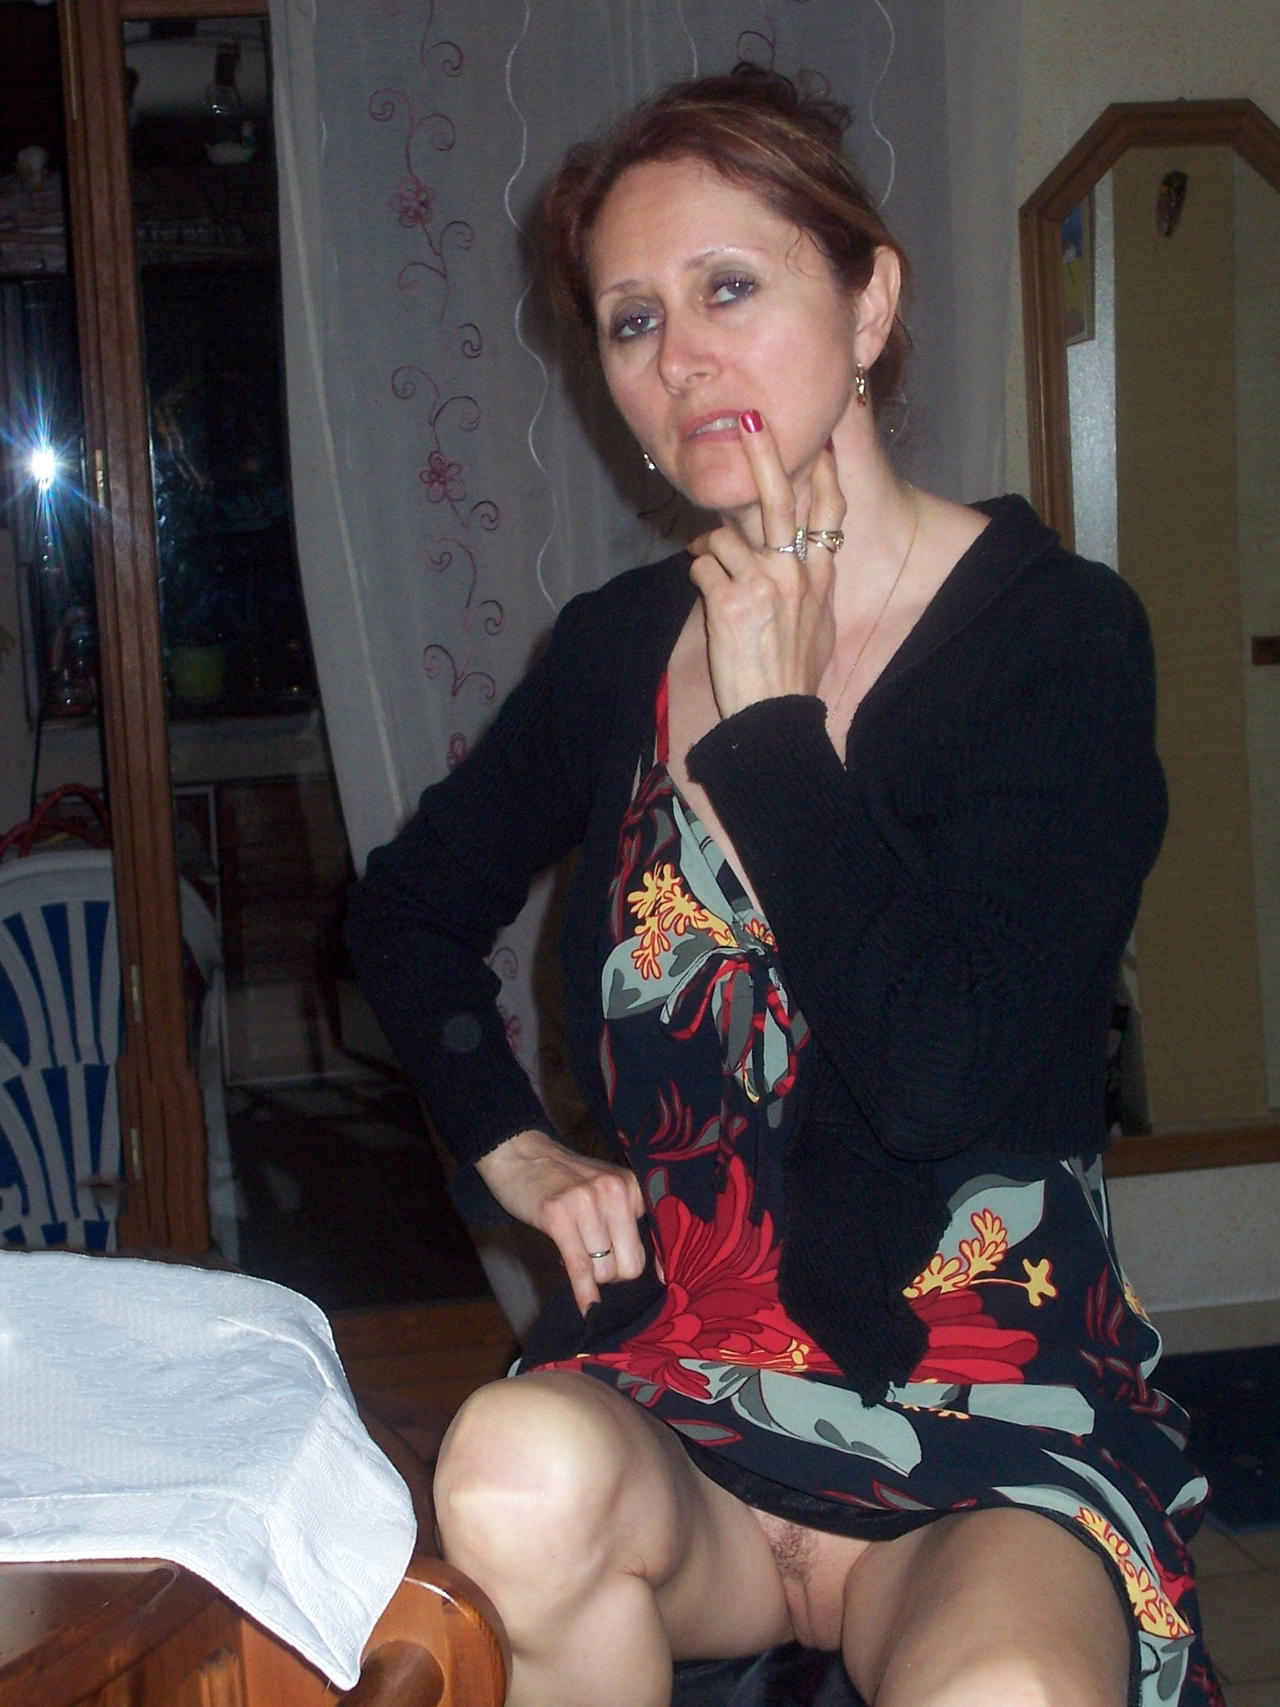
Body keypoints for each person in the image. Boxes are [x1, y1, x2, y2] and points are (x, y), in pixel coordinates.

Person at [347, 66, 1219, 1707]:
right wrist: (513, 1147)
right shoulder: (612, 655)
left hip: (986, 1414)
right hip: (681, 1382)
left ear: (870, 301)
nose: (679, 357)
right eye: (631, 321)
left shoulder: (1057, 640)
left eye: (729, 288)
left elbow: (940, 1069)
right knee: (510, 1470)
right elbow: (403, 912)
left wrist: (767, 742)